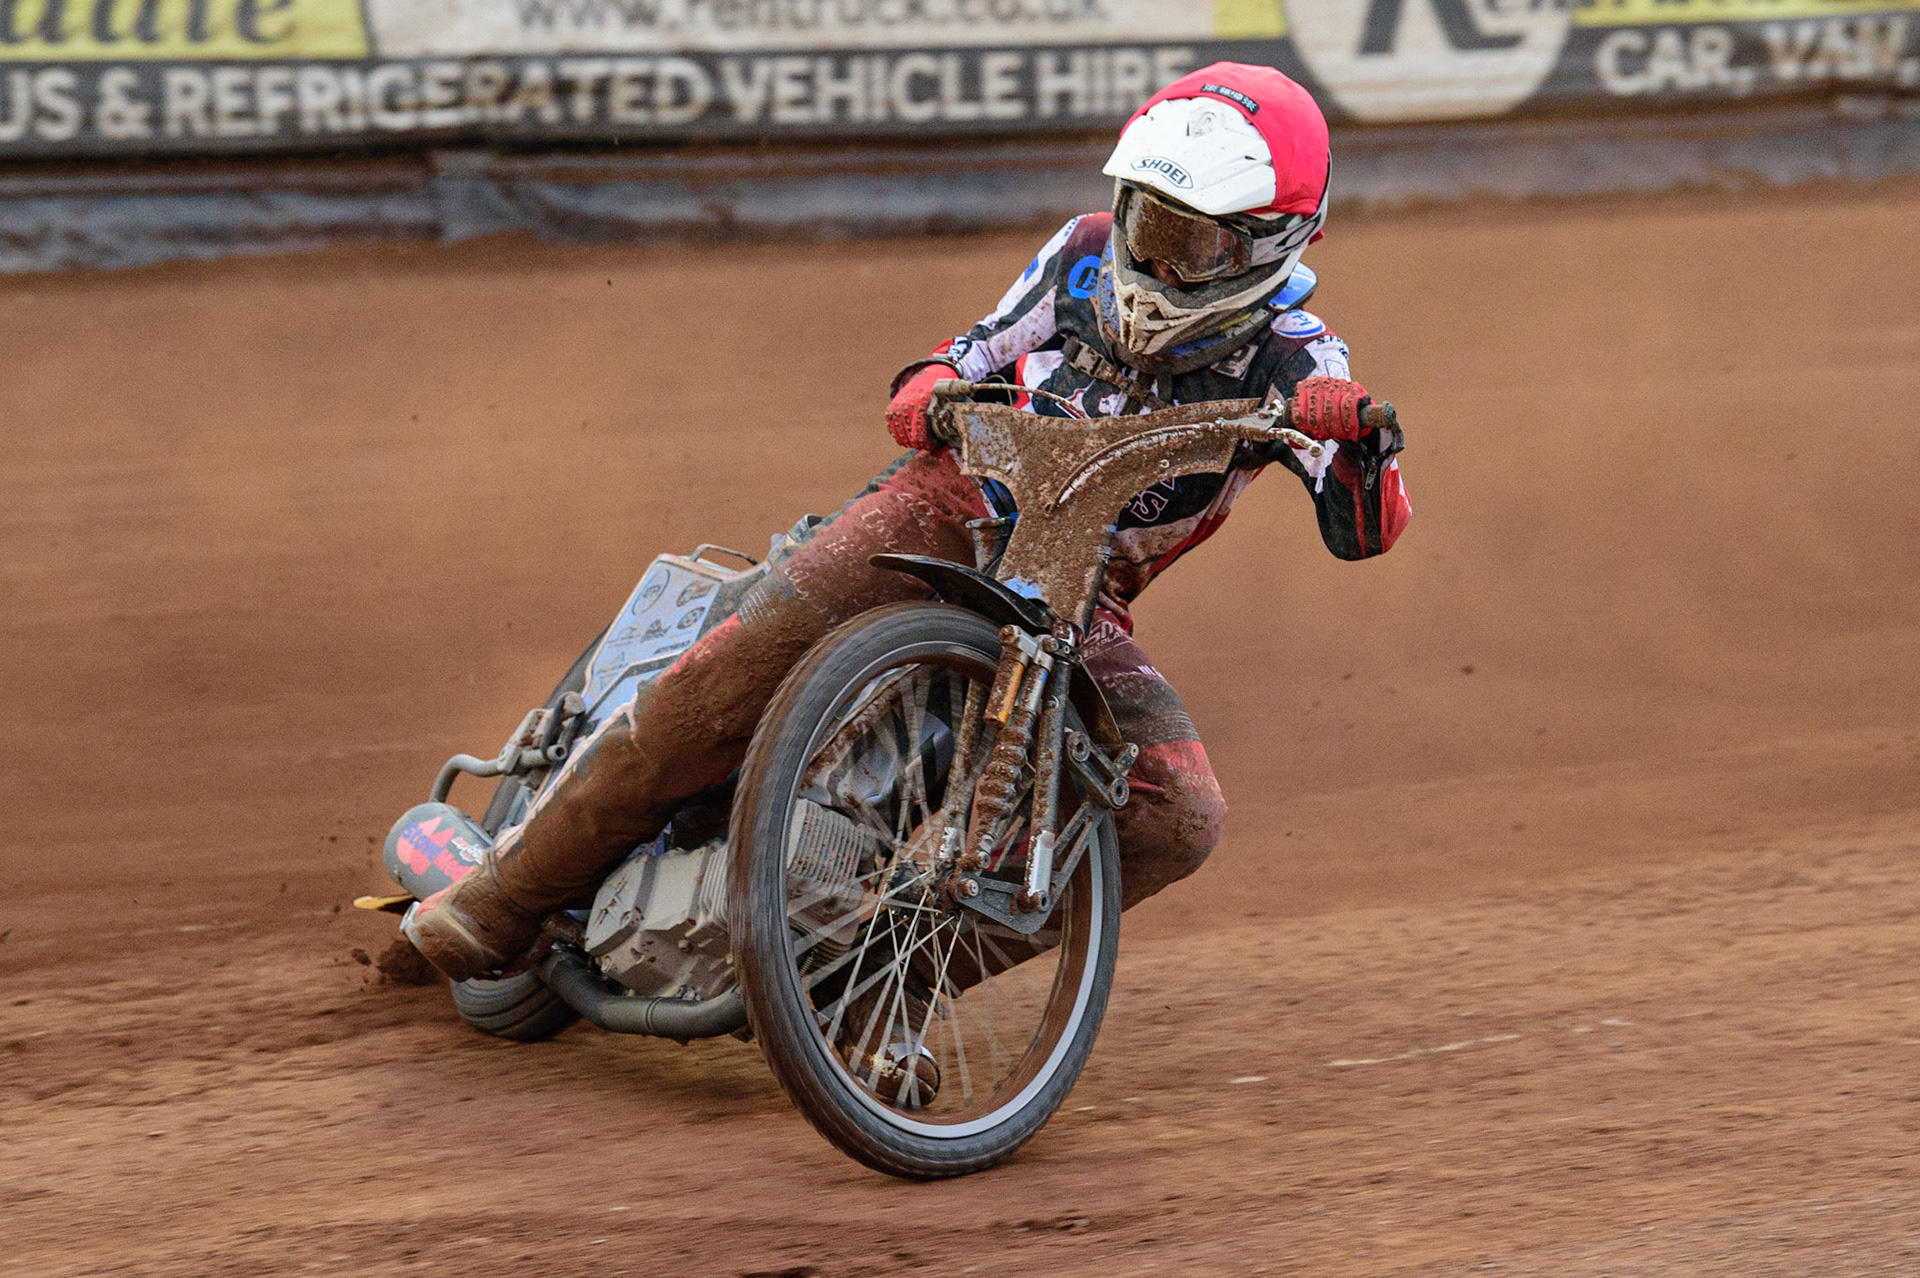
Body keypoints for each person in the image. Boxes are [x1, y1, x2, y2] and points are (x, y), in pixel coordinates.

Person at [404, 61, 1411, 983]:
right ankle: (502, 898)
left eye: (1197, 241)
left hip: (1077, 603)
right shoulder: (1084, 257)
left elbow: (1363, 532)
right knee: (726, 678)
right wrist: (931, 390)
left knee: (1177, 815)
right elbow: (954, 359)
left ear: (1275, 244)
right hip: (943, 508)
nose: (1158, 253)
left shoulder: (1301, 362)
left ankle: (878, 991)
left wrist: (1360, 443)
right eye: (1150, 220)